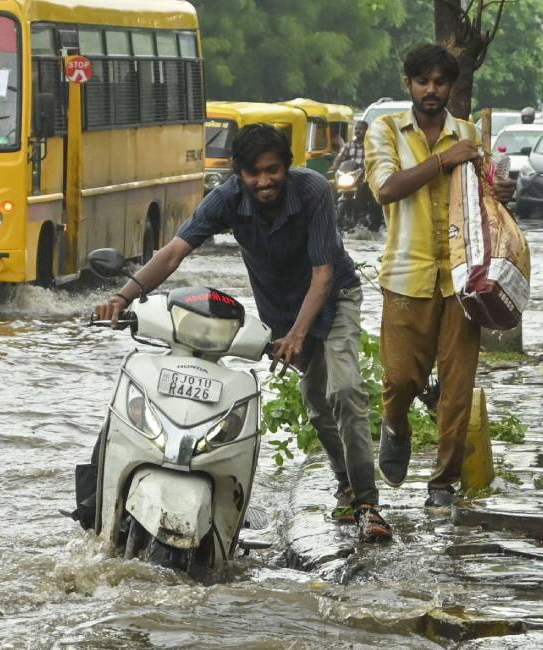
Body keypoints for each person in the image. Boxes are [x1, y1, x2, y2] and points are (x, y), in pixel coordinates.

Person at [86, 124, 393, 542]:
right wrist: (122, 298)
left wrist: (300, 335)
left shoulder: (313, 191)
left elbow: (323, 274)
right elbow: (175, 251)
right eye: (253, 173)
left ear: (286, 166)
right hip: (280, 311)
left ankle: (368, 503)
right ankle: (346, 485)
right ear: (239, 174)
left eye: (272, 170)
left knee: (345, 391)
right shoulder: (226, 199)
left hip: (334, 297)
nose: (264, 181)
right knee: (319, 404)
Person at [365, 43, 513, 509]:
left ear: (450, 87)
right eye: (422, 81)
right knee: (401, 377)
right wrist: (442, 162)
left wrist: (501, 188)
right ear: (407, 83)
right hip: (406, 274)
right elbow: (386, 189)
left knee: (457, 383)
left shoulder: (468, 133)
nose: (431, 90)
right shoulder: (385, 130)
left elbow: (484, 197)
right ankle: (396, 424)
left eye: (440, 82)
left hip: (463, 277)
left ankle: (442, 482)